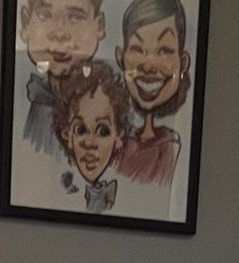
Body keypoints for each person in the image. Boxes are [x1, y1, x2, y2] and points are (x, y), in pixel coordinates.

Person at [114, 0, 193, 186]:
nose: (148, 66)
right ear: (121, 57)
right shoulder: (119, 142)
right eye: (137, 49)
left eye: (164, 51)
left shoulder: (170, 148)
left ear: (183, 62)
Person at [16, 0, 106, 156]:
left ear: (99, 26)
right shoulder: (31, 98)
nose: (59, 33)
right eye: (45, 15)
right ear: (25, 24)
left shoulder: (107, 102)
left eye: (76, 17)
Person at [50, 63, 132, 213]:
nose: (89, 142)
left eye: (103, 131)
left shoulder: (123, 192)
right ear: (67, 135)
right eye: (81, 130)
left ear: (118, 136)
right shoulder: (58, 188)